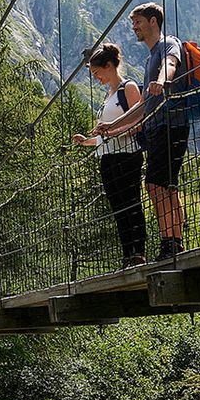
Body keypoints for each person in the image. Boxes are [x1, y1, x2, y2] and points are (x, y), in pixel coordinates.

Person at [93, 2, 188, 259]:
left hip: (172, 124)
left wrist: (162, 80)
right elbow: (145, 105)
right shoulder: (149, 59)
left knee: (158, 184)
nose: (134, 27)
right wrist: (111, 126)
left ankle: (172, 241)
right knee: (162, 185)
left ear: (153, 22)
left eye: (138, 22)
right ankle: (172, 240)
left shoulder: (168, 44)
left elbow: (171, 62)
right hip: (157, 126)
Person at [72, 43, 148, 267]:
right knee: (117, 208)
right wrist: (87, 141)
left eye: (97, 73)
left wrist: (110, 130)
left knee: (131, 203)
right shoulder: (109, 95)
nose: (96, 78)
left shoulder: (128, 88)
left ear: (109, 66)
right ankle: (127, 255)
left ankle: (138, 252)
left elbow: (139, 123)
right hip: (108, 157)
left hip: (127, 155)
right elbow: (106, 136)